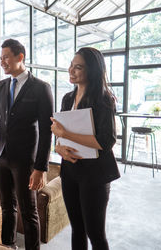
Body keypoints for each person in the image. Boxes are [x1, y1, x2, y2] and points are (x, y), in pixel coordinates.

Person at [0, 39, 53, 250]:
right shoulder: (0, 86)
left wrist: (40, 168)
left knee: (28, 211)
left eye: (6, 56)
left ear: (20, 57)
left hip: (25, 161)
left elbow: (46, 131)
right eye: (1, 57)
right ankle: (8, 246)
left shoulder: (41, 88)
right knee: (7, 207)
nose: (2, 61)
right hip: (1, 156)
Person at [51, 47, 120, 250]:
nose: (71, 70)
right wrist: (59, 148)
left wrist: (65, 135)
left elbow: (106, 141)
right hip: (71, 171)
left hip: (95, 175)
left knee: (96, 234)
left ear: (93, 70)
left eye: (78, 67)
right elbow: (60, 134)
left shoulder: (104, 99)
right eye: (71, 65)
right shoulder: (67, 98)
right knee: (77, 229)